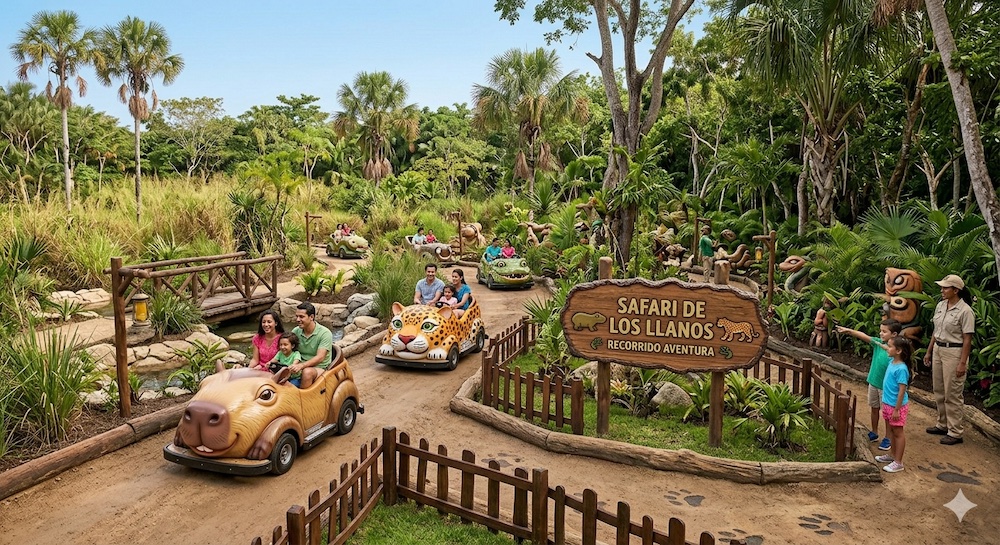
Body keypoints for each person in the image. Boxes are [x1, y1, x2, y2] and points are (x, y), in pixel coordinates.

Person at [923, 274, 975, 445]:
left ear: (956, 290)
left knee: (952, 393)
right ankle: (942, 423)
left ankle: (955, 431)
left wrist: (962, 363)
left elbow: (967, 339)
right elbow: (936, 331)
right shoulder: (940, 305)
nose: (942, 290)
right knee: (939, 389)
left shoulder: (965, 311)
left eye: (945, 287)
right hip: (938, 349)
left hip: (954, 352)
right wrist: (929, 351)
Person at [835, 318, 901, 452]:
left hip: (886, 388)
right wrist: (849, 331)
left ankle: (888, 437)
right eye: (880, 331)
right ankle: (874, 431)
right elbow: (864, 336)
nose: (881, 333)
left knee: (887, 413)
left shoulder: (896, 350)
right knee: (874, 407)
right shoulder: (878, 343)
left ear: (894, 334)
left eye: (884, 331)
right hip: (873, 382)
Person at [875, 336, 912, 473]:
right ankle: (892, 455)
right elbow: (885, 347)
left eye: (890, 346)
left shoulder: (901, 369)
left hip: (896, 407)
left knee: (898, 433)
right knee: (891, 430)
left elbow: (902, 391)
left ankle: (898, 462)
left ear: (898, 351)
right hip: (888, 403)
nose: (887, 348)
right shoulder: (892, 361)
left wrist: (897, 409)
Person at [290, 302, 334, 388]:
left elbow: (320, 357)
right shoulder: (296, 331)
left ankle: (303, 396)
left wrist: (301, 366)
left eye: (301, 317)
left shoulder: (325, 333)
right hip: (299, 366)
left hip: (319, 368)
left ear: (311, 317)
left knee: (307, 372)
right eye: (297, 316)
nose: (298, 319)